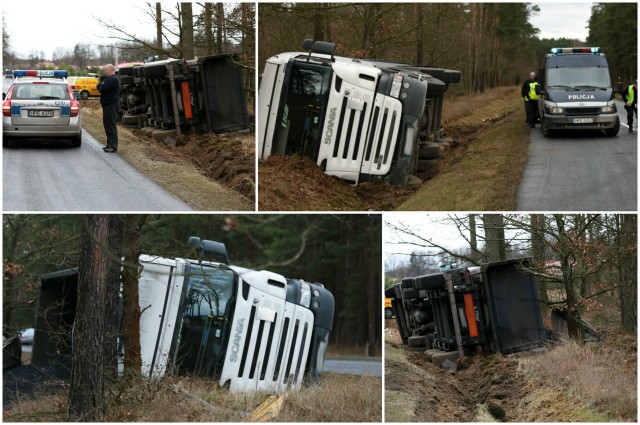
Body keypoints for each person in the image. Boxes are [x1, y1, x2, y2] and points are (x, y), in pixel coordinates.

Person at [96, 64, 120, 152]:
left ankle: (113, 146)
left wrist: (102, 84)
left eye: (106, 70)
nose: (104, 72)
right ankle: (109, 144)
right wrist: (101, 83)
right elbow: (98, 86)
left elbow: (101, 89)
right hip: (107, 105)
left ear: (110, 70)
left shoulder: (113, 79)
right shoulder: (107, 79)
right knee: (107, 125)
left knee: (111, 125)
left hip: (111, 105)